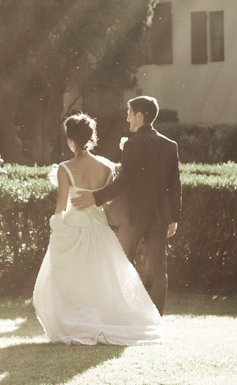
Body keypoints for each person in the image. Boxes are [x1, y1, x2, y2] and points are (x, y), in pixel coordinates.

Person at [32, 112, 164, 345]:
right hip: (99, 228)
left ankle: (79, 321)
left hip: (74, 227)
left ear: (71, 139)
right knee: (100, 278)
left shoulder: (65, 168)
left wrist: (55, 227)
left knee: (74, 280)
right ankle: (102, 319)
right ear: (91, 137)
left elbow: (61, 205)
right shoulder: (106, 166)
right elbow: (110, 199)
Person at [72, 96, 181, 314]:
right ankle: (156, 319)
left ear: (140, 116)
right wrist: (174, 218)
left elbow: (124, 181)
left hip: (133, 217)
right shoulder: (170, 145)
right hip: (160, 218)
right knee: (159, 273)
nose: (127, 118)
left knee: (122, 267)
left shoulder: (132, 144)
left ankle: (124, 315)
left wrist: (95, 197)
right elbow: (175, 185)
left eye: (130, 113)